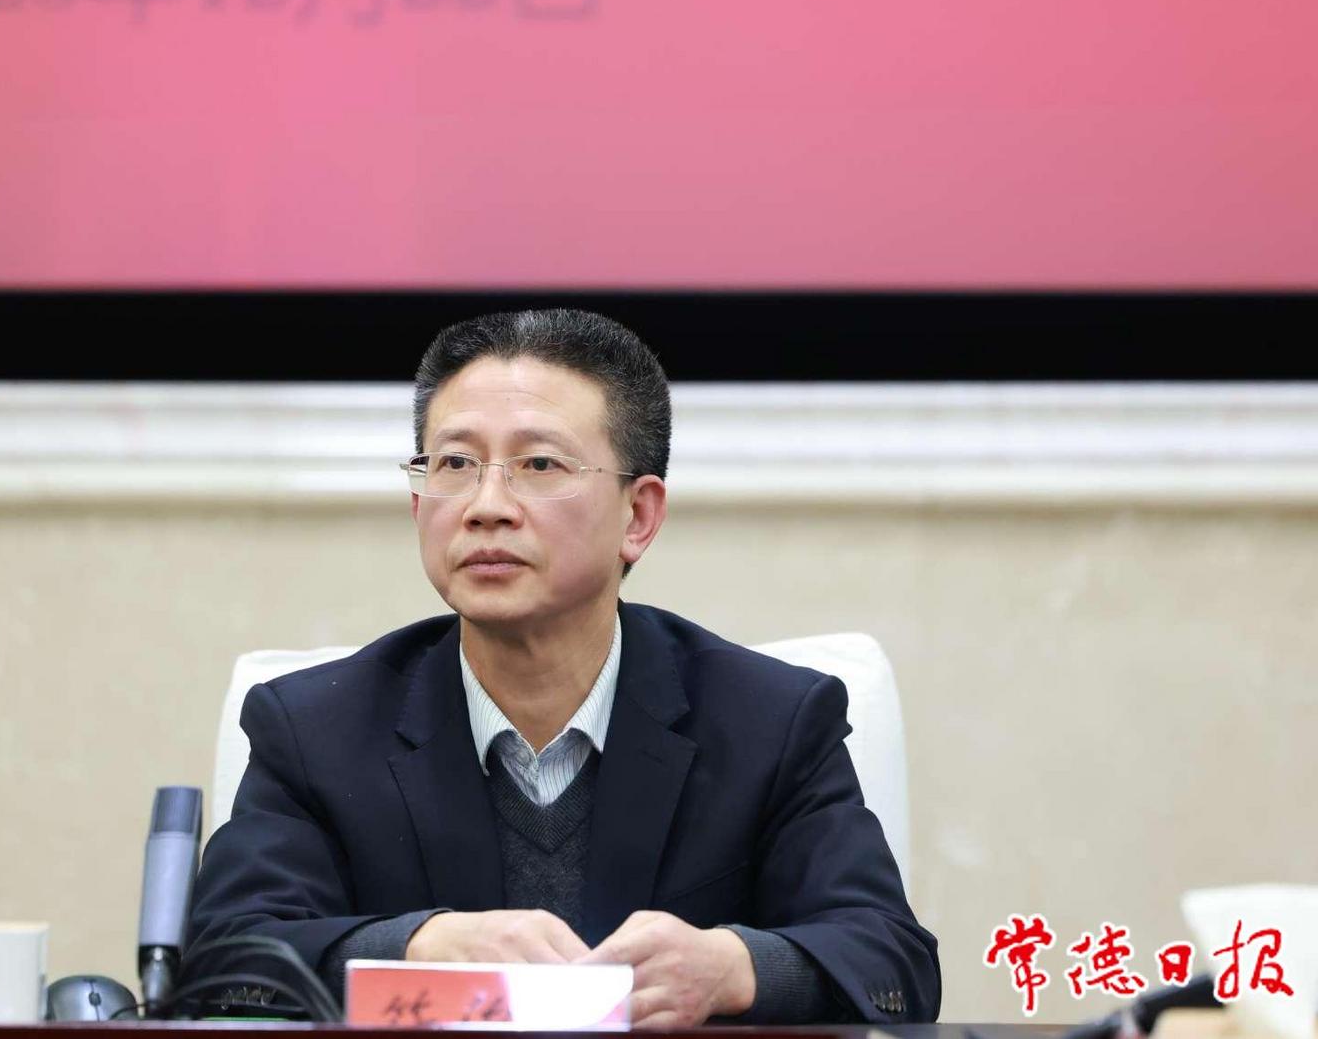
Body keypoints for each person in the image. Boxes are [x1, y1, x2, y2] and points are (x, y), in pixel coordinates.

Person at [186, 309, 940, 1025]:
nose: (486, 505)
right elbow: (222, 963)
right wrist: (421, 946)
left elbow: (892, 965)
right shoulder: (315, 728)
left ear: (638, 516)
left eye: (539, 464)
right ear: (418, 505)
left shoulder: (770, 721)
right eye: (455, 464)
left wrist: (732, 966)